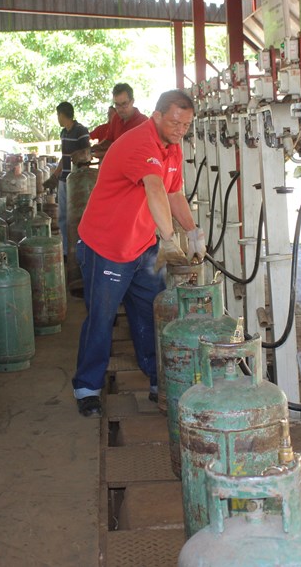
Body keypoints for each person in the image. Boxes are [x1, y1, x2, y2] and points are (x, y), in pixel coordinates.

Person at [73, 89, 207, 417]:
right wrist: (170, 238)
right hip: (108, 246)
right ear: (157, 116)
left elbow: (174, 192)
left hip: (142, 246)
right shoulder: (140, 142)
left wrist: (192, 230)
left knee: (150, 313)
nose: (180, 129)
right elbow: (155, 187)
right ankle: (87, 387)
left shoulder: (172, 149)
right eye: (175, 122)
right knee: (102, 317)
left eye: (187, 125)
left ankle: (157, 380)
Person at [42, 102, 91, 252]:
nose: (57, 118)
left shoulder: (81, 131)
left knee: (78, 217)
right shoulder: (64, 133)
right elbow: (64, 158)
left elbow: (87, 156)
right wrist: (54, 176)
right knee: (63, 216)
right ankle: (66, 251)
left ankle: (81, 250)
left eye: (58, 115)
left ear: (63, 115)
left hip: (77, 182)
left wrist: (81, 178)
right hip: (64, 180)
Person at [90, 83, 148, 158]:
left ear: (132, 101)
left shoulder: (143, 123)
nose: (120, 109)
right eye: (117, 105)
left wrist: (95, 154)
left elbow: (129, 152)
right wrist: (92, 149)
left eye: (124, 104)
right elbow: (109, 141)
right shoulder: (116, 118)